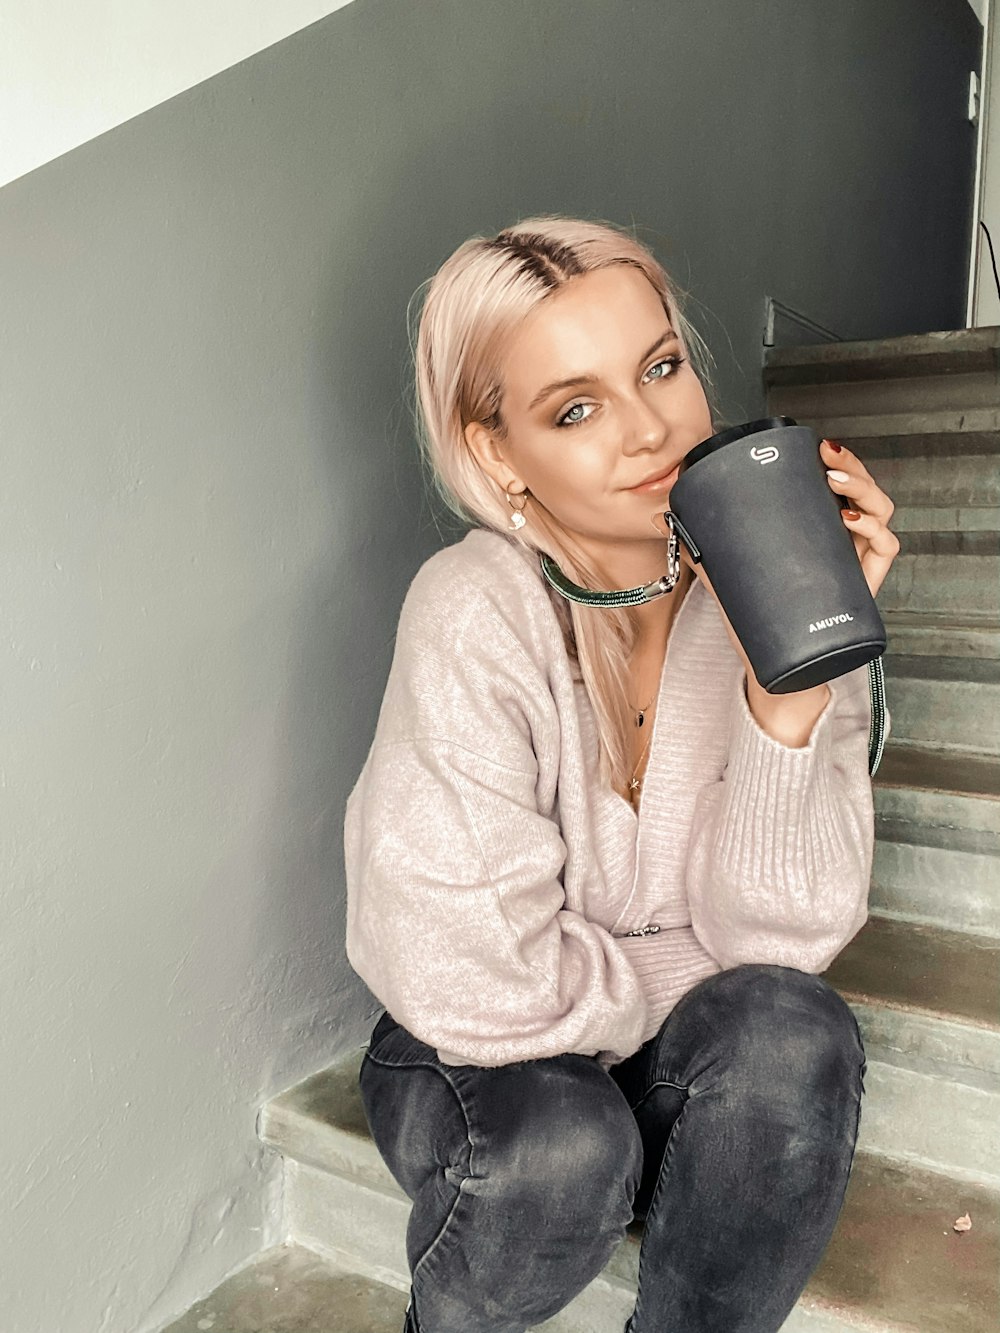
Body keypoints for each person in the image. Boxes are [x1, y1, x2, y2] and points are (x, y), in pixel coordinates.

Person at [343, 215, 899, 1333]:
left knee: (794, 1032)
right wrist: (664, 972)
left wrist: (787, 697)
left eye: (661, 366)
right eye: (575, 407)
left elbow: (779, 952)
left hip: (649, 1046)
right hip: (473, 1061)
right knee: (564, 1143)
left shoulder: (771, 589)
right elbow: (469, 976)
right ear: (497, 450)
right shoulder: (474, 608)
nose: (652, 430)